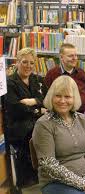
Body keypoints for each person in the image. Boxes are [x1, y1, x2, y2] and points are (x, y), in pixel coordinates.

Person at [4, 47, 48, 187]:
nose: (28, 66)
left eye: (31, 63)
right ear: (17, 62)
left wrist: (33, 101)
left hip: (37, 121)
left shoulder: (37, 79)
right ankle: (29, 179)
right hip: (18, 125)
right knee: (34, 135)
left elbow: (46, 99)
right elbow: (15, 108)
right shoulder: (9, 82)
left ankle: (45, 172)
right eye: (24, 62)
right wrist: (38, 108)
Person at [44, 43, 85, 113]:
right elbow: (46, 96)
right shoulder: (52, 74)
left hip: (83, 113)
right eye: (70, 56)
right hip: (61, 114)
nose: (74, 58)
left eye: (75, 55)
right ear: (61, 57)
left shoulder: (81, 73)